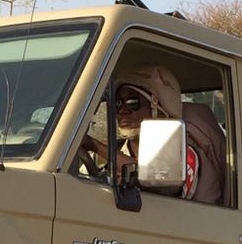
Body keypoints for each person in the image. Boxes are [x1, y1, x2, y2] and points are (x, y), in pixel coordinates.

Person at [79, 63, 226, 205]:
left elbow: (164, 187)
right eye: (118, 104)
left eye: (132, 102)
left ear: (157, 106)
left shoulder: (183, 152)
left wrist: (95, 146)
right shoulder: (113, 151)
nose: (123, 111)